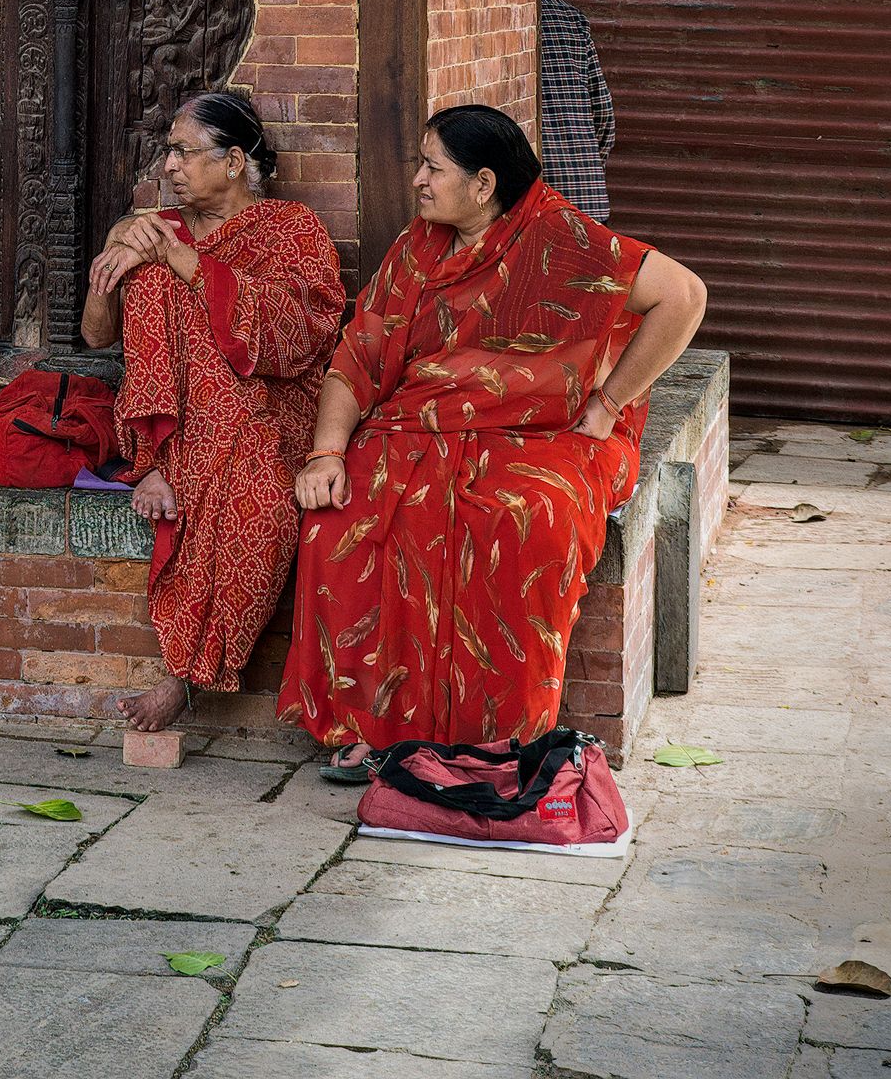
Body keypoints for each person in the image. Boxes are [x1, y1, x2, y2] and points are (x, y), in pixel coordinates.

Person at [280, 103, 705, 772]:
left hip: (543, 434)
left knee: (524, 521)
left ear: (482, 184)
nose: (418, 180)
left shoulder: (560, 237)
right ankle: (374, 726)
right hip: (421, 425)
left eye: (432, 167)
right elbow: (358, 358)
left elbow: (684, 296)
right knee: (344, 520)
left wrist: (608, 400)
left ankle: (492, 743)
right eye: (420, 163)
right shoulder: (417, 248)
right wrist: (327, 451)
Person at [81, 89, 345, 733]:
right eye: (166, 152)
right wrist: (111, 267)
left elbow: (300, 334)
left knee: (260, 498)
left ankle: (184, 676)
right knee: (148, 279)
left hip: (269, 410)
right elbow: (96, 336)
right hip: (176, 429)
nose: (169, 166)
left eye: (183, 152)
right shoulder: (153, 230)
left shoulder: (290, 229)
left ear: (232, 161)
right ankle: (153, 462)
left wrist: (190, 265)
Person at [539, 0, 616, 223]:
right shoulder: (569, 16)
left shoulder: (494, 10)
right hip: (586, 196)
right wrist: (585, 166)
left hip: (536, 206)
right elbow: (603, 115)